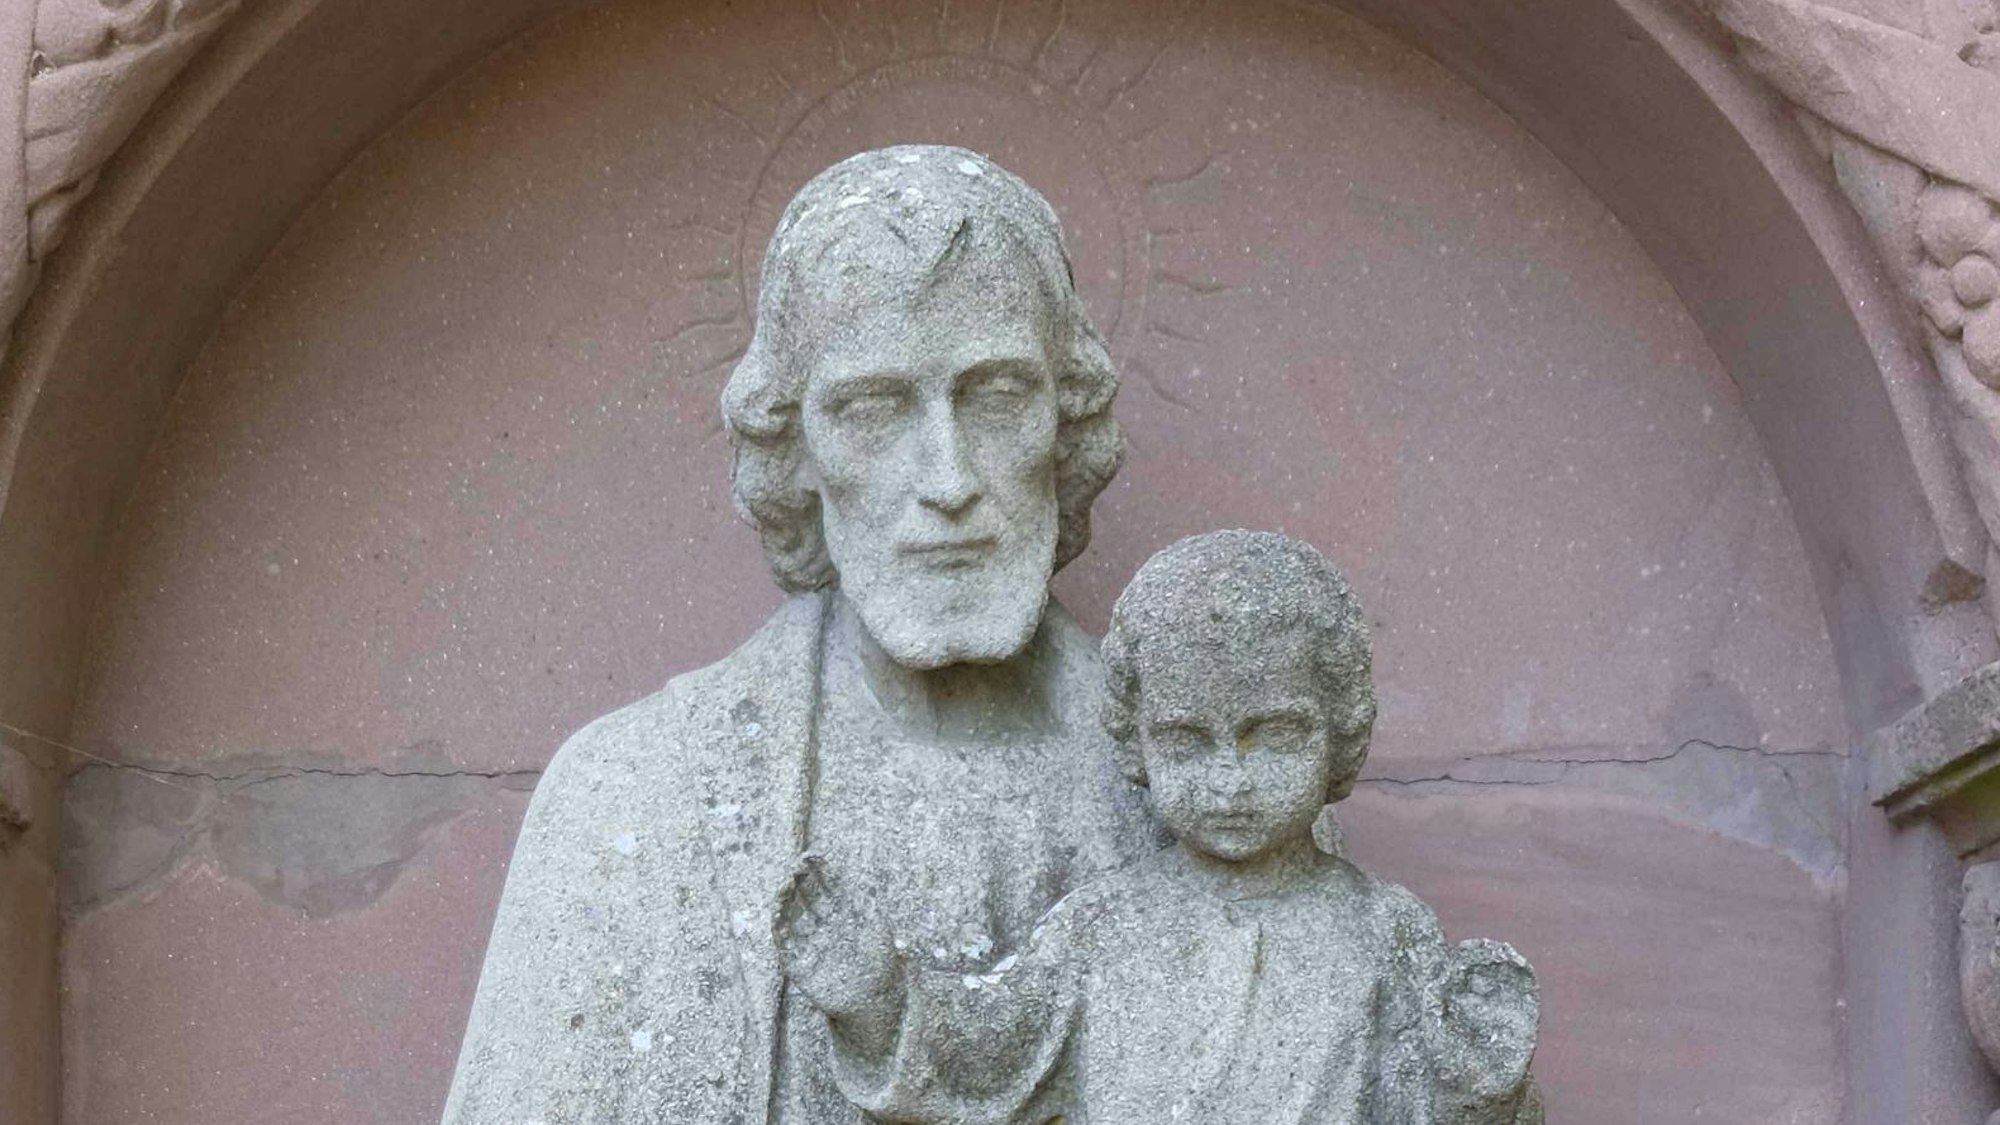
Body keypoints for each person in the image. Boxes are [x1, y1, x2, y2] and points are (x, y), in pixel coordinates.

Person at [440, 146, 1158, 1124]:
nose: (946, 480)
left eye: (995, 396)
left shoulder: (1200, 795)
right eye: (871, 408)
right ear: (797, 449)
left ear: (1063, 421)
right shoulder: (632, 799)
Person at [780, 530, 1544, 1124]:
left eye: (1272, 734)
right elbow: (992, 1052)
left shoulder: (1384, 928)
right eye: (1187, 740)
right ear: (1137, 745)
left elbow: (1421, 1105)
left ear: (1340, 734)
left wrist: (1477, 1080)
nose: (1229, 781)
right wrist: (878, 996)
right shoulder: (1103, 924)